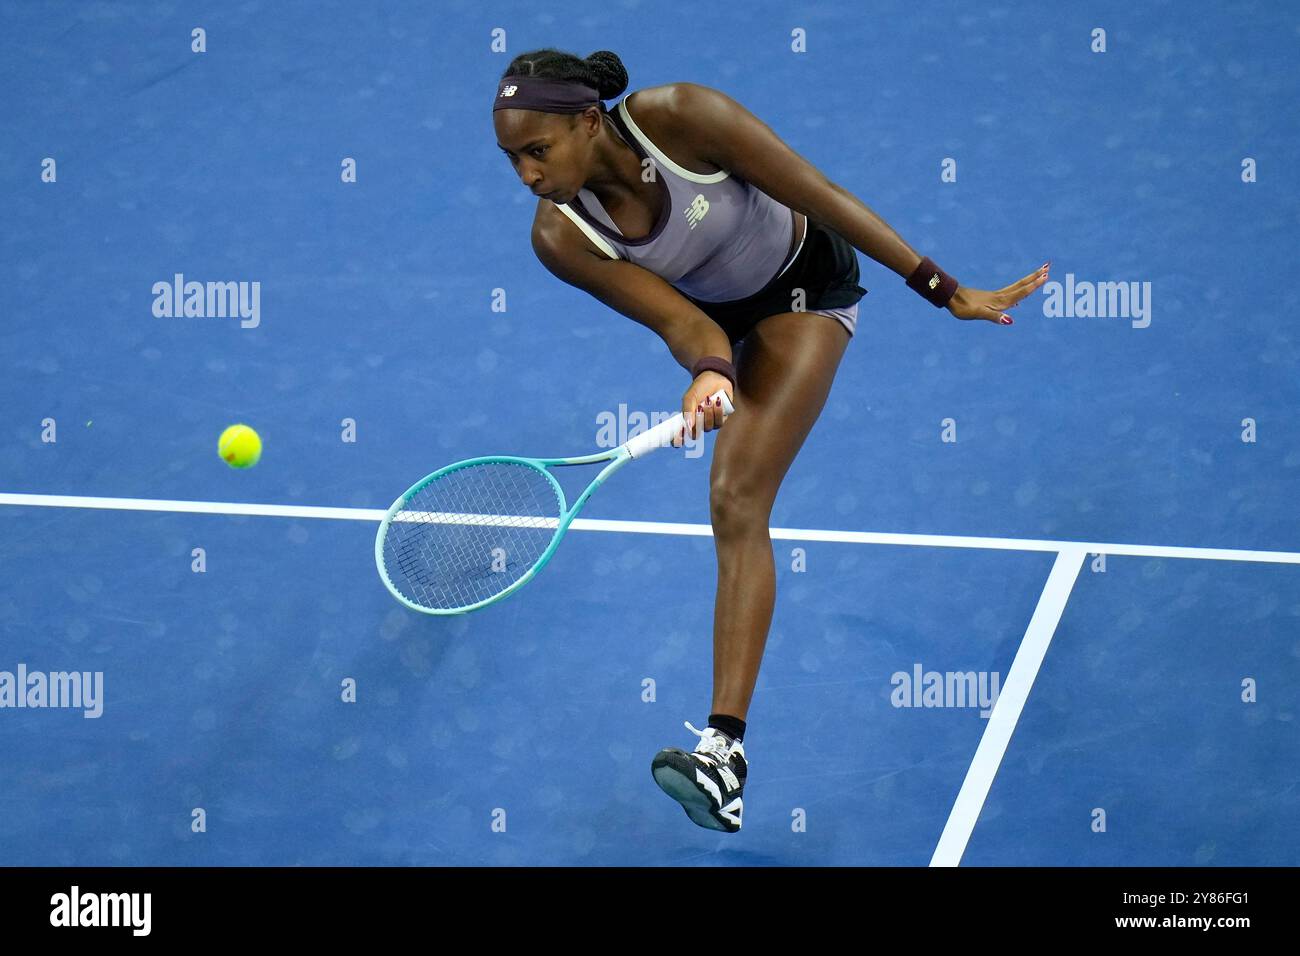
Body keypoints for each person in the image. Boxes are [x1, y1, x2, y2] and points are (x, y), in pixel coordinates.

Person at [492, 48, 1049, 833]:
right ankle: (728, 764)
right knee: (731, 503)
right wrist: (711, 368)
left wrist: (942, 289)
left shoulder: (682, 117)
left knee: (735, 495)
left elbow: (818, 192)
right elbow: (680, 320)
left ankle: (722, 751)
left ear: (588, 121)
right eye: (511, 158)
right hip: (728, 320)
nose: (525, 175)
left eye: (536, 151)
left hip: (806, 288)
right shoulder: (561, 238)